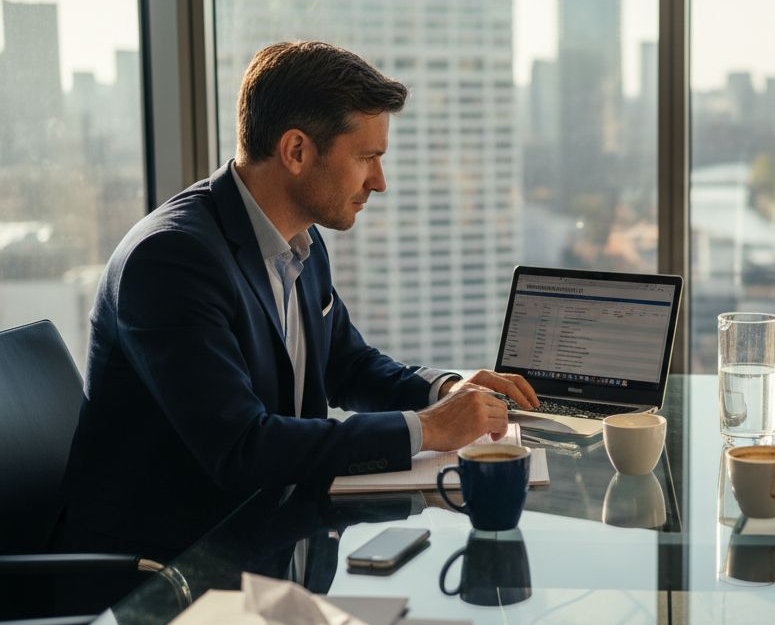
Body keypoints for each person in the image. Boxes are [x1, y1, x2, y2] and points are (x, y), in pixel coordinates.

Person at [54, 41, 539, 564]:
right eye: (367, 158)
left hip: (273, 546)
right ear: (296, 151)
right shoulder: (171, 260)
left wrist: (445, 389)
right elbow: (242, 447)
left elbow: (347, 364)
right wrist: (429, 429)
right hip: (165, 577)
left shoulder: (299, 239)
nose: (380, 182)